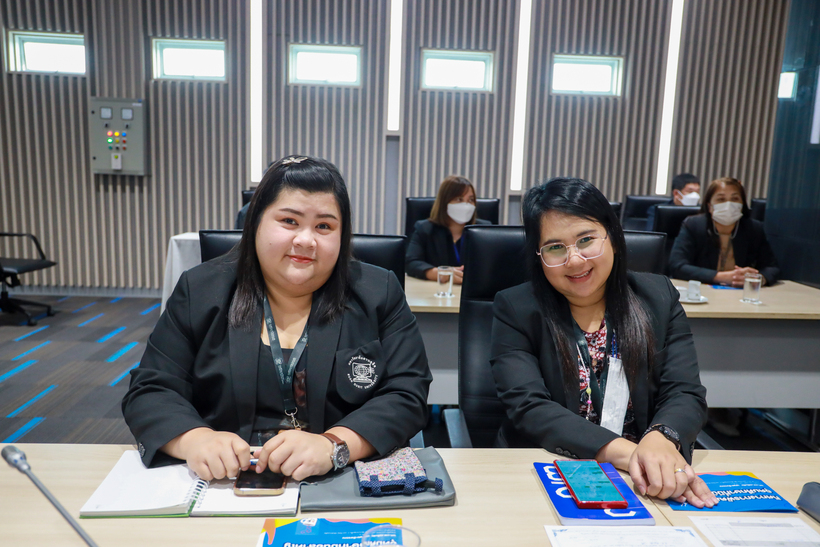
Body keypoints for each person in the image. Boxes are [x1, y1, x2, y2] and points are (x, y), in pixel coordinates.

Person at [123, 155, 432, 482]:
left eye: (324, 226)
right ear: (256, 222)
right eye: (289, 221)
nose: (306, 240)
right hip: (225, 483)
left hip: (336, 480)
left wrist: (334, 445)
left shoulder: (378, 292)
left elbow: (407, 393)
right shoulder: (200, 290)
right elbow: (151, 389)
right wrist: (195, 439)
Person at [491, 177, 717, 508]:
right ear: (539, 256)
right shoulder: (516, 308)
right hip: (552, 471)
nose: (574, 260)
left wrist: (662, 438)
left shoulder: (658, 297)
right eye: (555, 248)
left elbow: (684, 392)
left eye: (586, 240)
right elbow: (529, 406)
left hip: (647, 481)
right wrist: (634, 454)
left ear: (612, 236)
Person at [669, 177, 779, 287]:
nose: (728, 204)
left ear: (742, 204)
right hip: (701, 291)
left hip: (741, 292)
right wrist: (721, 277)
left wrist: (759, 279)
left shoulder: (754, 228)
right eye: (721, 199)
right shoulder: (693, 225)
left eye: (735, 199)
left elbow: (772, 267)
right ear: (709, 206)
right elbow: (677, 266)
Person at [405, 175, 490, 285]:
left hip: (474, 288)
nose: (466, 205)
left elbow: (493, 265)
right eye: (459, 199)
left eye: (471, 200)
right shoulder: (425, 229)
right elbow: (410, 263)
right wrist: (442, 274)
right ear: (444, 202)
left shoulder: (484, 230)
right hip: (438, 290)